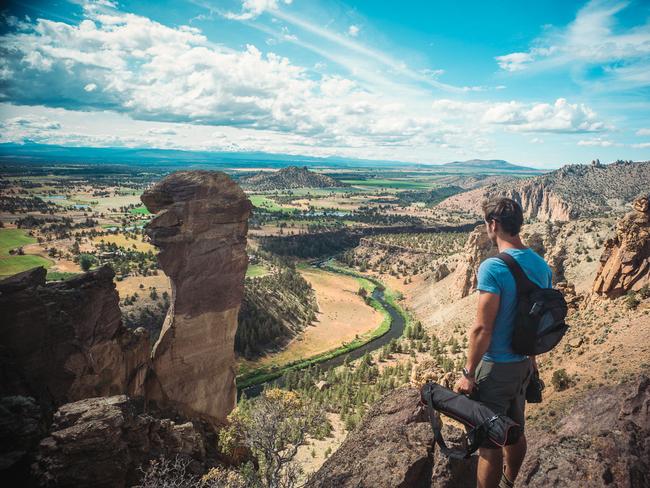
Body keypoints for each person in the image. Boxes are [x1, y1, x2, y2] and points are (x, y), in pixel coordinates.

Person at [454, 197, 552, 488]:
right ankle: (509, 482)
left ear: (493, 225)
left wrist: (468, 373)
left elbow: (483, 328)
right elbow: (535, 323)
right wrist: (532, 364)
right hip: (523, 366)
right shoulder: (541, 265)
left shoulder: (492, 268)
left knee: (489, 444)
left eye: (486, 223)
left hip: (495, 369)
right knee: (515, 432)